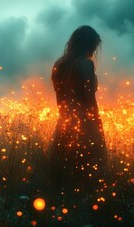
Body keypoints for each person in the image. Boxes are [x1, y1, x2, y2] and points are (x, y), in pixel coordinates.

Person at [48, 26, 107, 194]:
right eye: (94, 45)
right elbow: (90, 99)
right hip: (85, 121)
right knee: (88, 166)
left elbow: (59, 100)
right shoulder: (85, 64)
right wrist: (96, 121)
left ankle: (62, 199)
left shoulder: (59, 64)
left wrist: (65, 119)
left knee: (64, 164)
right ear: (87, 44)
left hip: (66, 120)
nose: (95, 49)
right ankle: (85, 201)